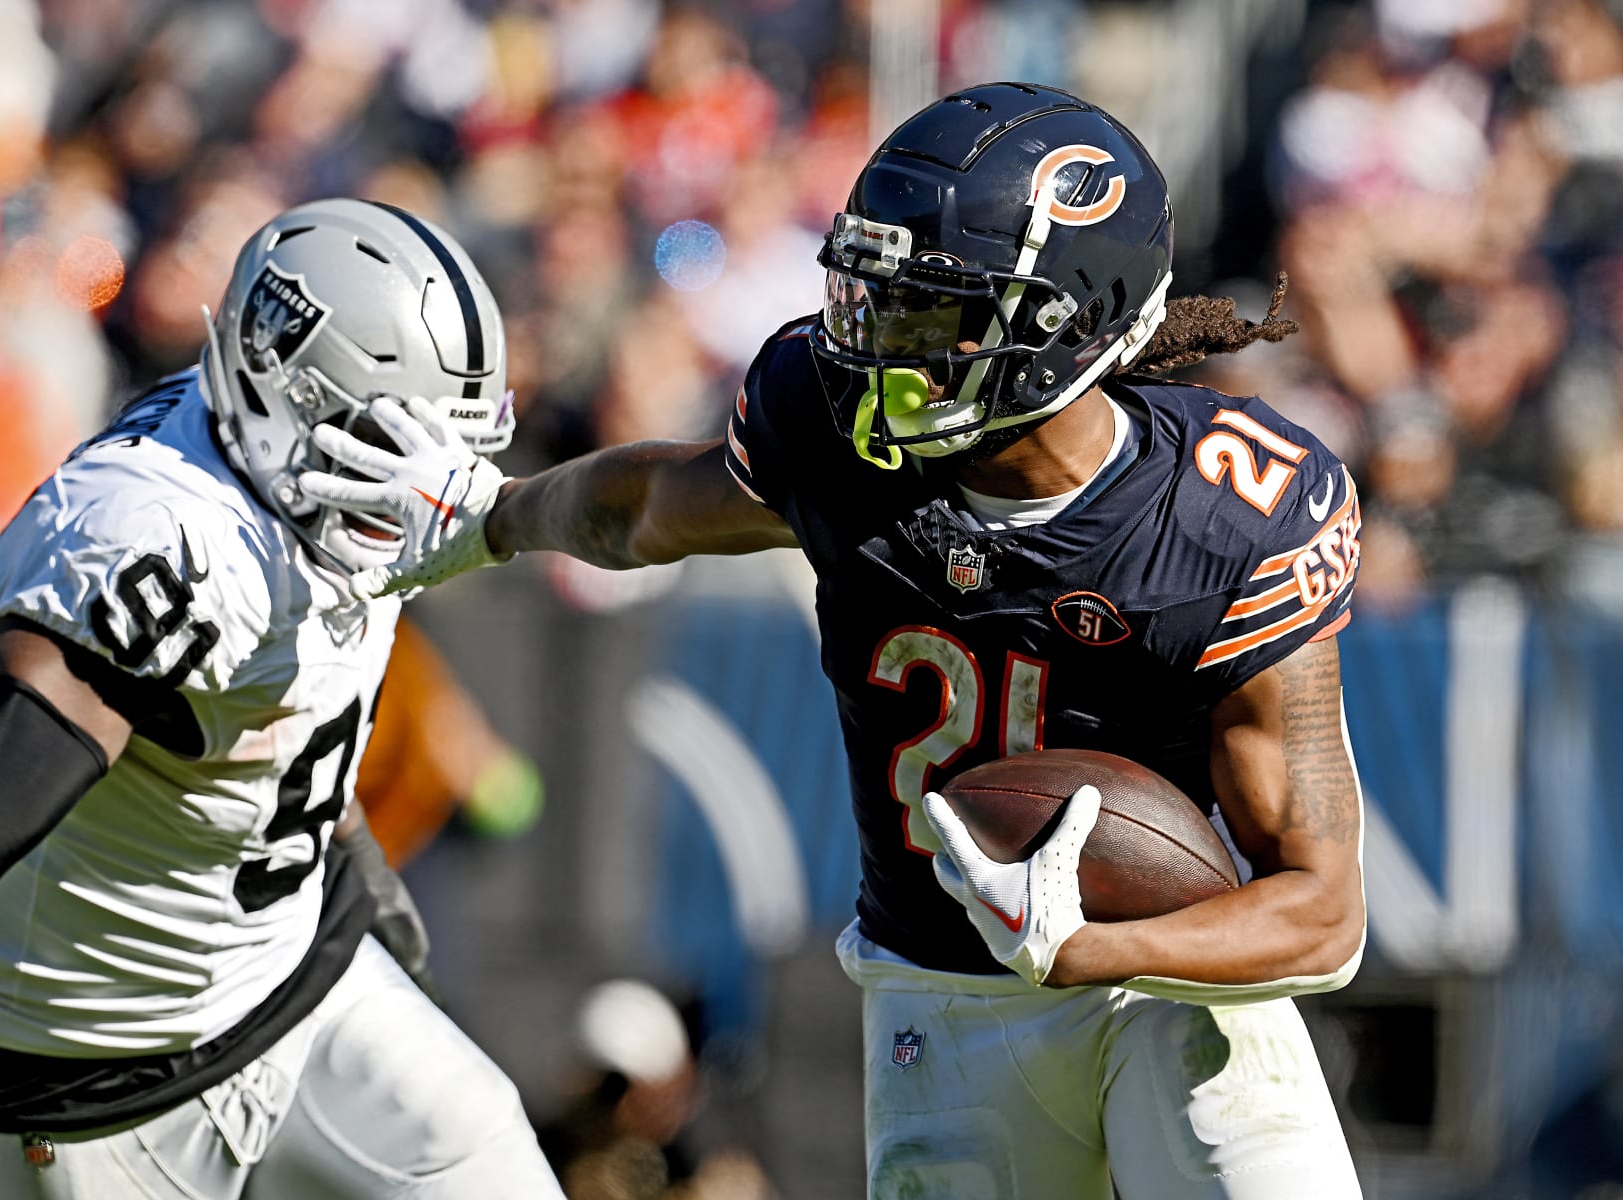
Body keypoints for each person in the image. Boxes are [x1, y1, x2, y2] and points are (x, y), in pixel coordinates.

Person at [306, 84, 1368, 1198]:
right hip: (939, 995)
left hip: (1168, 983)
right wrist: (494, 513)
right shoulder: (833, 436)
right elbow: (651, 505)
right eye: (877, 297)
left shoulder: (1224, 516)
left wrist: (1089, 945)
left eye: (934, 312)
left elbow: (1324, 913)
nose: (876, 345)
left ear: (1070, 325)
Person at [0, 199, 565, 1199]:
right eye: (382, 444)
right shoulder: (162, 531)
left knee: (485, 1157)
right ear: (286, 387)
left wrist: (342, 848)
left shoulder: (300, 467)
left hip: (276, 968)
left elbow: (261, 696)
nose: (415, 488)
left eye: (440, 452)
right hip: (77, 1049)